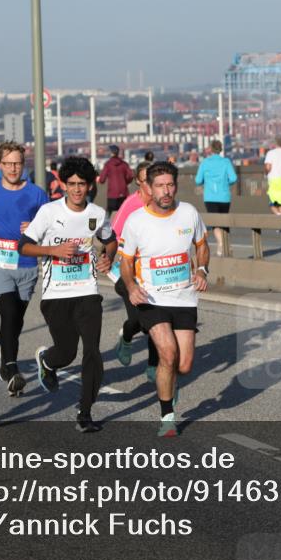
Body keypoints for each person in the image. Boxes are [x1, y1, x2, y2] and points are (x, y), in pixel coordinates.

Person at [21, 156, 117, 433]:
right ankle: (47, 361)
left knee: (92, 352)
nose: (76, 190)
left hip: (87, 292)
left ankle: (85, 412)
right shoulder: (50, 213)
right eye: (71, 184)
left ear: (89, 186)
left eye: (82, 184)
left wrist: (106, 257)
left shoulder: (97, 214)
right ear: (64, 184)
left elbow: (111, 241)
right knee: (66, 352)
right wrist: (53, 250)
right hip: (56, 295)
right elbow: (24, 247)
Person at [120, 162, 210, 438]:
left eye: (170, 185)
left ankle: (169, 380)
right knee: (167, 353)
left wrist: (202, 269)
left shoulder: (188, 213)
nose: (166, 191)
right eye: (159, 186)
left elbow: (202, 246)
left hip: (184, 298)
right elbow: (126, 262)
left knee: (183, 365)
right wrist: (131, 286)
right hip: (151, 298)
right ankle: (167, 417)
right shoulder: (136, 221)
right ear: (148, 187)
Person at [0, 142, 49, 397]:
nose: (13, 168)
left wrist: (36, 227)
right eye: (8, 163)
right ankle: (11, 369)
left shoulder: (37, 194)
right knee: (9, 313)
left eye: (17, 163)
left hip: (26, 264)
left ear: (23, 164)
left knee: (16, 319)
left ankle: (5, 357)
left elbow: (50, 226)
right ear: (0, 165)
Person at [110, 162, 160, 376]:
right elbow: (112, 233)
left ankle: (153, 365)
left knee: (156, 321)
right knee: (139, 321)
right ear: (138, 182)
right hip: (128, 272)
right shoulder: (131, 204)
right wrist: (109, 256)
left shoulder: (162, 204)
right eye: (144, 179)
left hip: (153, 273)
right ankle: (127, 337)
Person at [195, 140, 237, 255]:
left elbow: (198, 180)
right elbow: (233, 178)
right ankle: (225, 244)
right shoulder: (226, 162)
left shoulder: (205, 162)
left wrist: (206, 181)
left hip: (210, 197)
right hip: (224, 196)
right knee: (224, 221)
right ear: (221, 149)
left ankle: (221, 244)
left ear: (211, 149)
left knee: (215, 222)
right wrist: (224, 183)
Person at [98, 145, 134, 217]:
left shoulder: (108, 164)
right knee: (123, 214)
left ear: (111, 153)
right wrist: (125, 182)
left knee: (109, 214)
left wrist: (98, 179)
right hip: (123, 192)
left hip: (112, 193)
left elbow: (102, 180)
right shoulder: (124, 164)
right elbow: (131, 175)